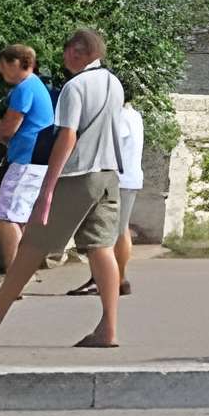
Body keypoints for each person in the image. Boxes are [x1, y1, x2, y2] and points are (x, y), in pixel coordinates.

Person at [0, 27, 128, 347]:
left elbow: (67, 136)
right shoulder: (114, 83)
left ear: (77, 51)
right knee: (101, 248)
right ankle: (109, 329)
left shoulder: (76, 87)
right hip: (108, 173)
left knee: (31, 246)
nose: (63, 57)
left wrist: (48, 187)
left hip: (76, 175)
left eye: (66, 51)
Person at [0, 42, 54, 274]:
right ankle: (21, 274)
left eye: (3, 64)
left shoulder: (25, 88)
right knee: (18, 218)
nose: (0, 69)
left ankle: (14, 279)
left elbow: (8, 128)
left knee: (5, 218)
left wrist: (0, 134)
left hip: (26, 160)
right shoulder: (37, 86)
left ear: (16, 63)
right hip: (37, 159)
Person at [68, 94, 143, 298]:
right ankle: (119, 278)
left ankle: (101, 280)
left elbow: (109, 144)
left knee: (103, 232)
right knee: (121, 229)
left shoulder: (119, 117)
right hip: (131, 178)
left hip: (116, 178)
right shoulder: (134, 114)